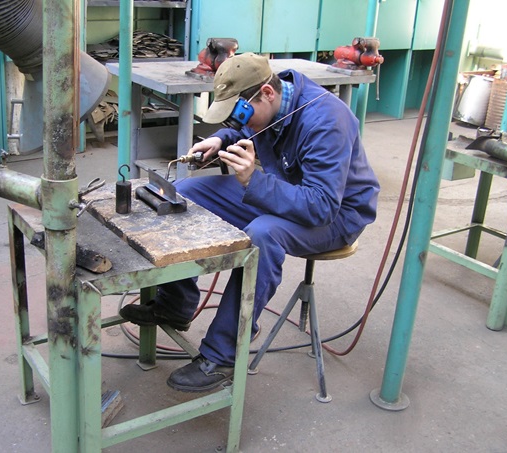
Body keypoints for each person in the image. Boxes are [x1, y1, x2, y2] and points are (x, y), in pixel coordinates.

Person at [120, 52, 380, 392]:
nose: (240, 120)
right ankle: (176, 304)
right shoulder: (271, 101)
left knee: (263, 234)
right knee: (183, 193)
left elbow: (321, 207)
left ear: (267, 93)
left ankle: (222, 354)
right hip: (284, 190)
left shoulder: (327, 121)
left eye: (241, 112)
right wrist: (221, 138)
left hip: (336, 215)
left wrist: (253, 182)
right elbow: (246, 125)